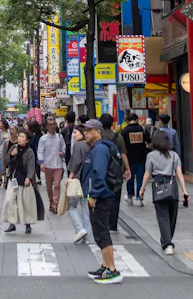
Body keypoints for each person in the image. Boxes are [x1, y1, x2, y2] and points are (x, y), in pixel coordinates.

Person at [82, 120, 122, 284]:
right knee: (99, 232)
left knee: (102, 233)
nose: (86, 134)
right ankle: (105, 266)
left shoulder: (99, 149)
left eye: (89, 131)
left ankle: (112, 269)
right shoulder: (97, 148)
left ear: (98, 132)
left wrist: (94, 195)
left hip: (101, 196)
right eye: (85, 131)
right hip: (100, 195)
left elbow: (99, 174)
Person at [139, 130, 189, 255]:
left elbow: (147, 173)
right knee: (172, 216)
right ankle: (167, 241)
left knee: (162, 217)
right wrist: (184, 190)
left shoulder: (151, 155)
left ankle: (167, 243)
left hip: (158, 184)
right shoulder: (174, 155)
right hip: (172, 185)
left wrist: (142, 188)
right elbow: (179, 174)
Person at [3, 129, 44, 233]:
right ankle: (12, 223)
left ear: (27, 140)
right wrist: (12, 155)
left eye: (22, 137)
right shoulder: (13, 148)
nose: (20, 139)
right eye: (19, 136)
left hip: (25, 180)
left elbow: (31, 166)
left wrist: (29, 177)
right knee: (10, 201)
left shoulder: (29, 151)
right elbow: (7, 161)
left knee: (26, 203)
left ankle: (28, 224)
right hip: (14, 179)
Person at [99, 113, 130, 232]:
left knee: (102, 197)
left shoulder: (98, 136)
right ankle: (113, 224)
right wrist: (127, 168)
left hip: (102, 170)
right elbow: (123, 154)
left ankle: (104, 222)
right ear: (112, 123)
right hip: (116, 172)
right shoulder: (118, 137)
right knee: (115, 198)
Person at [65, 124, 91, 243]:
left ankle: (80, 229)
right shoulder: (90, 145)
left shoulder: (78, 146)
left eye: (76, 133)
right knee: (86, 209)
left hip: (76, 181)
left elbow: (75, 163)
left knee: (71, 207)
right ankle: (88, 237)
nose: (73, 135)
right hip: (88, 181)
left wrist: (69, 178)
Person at [37, 117, 66, 214]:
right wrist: (41, 163)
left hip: (58, 164)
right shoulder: (43, 139)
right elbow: (40, 151)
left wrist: (62, 152)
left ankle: (55, 203)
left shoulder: (59, 137)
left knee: (57, 185)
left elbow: (63, 147)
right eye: (50, 125)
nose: (52, 126)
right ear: (46, 126)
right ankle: (51, 201)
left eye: (54, 124)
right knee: (49, 186)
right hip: (47, 165)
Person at [121, 113, 150, 207]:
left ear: (128, 121)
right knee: (140, 179)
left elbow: (122, 145)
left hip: (129, 159)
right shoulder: (142, 129)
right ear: (137, 119)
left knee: (130, 177)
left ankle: (130, 196)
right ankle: (139, 198)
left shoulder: (125, 131)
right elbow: (149, 141)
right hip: (141, 158)